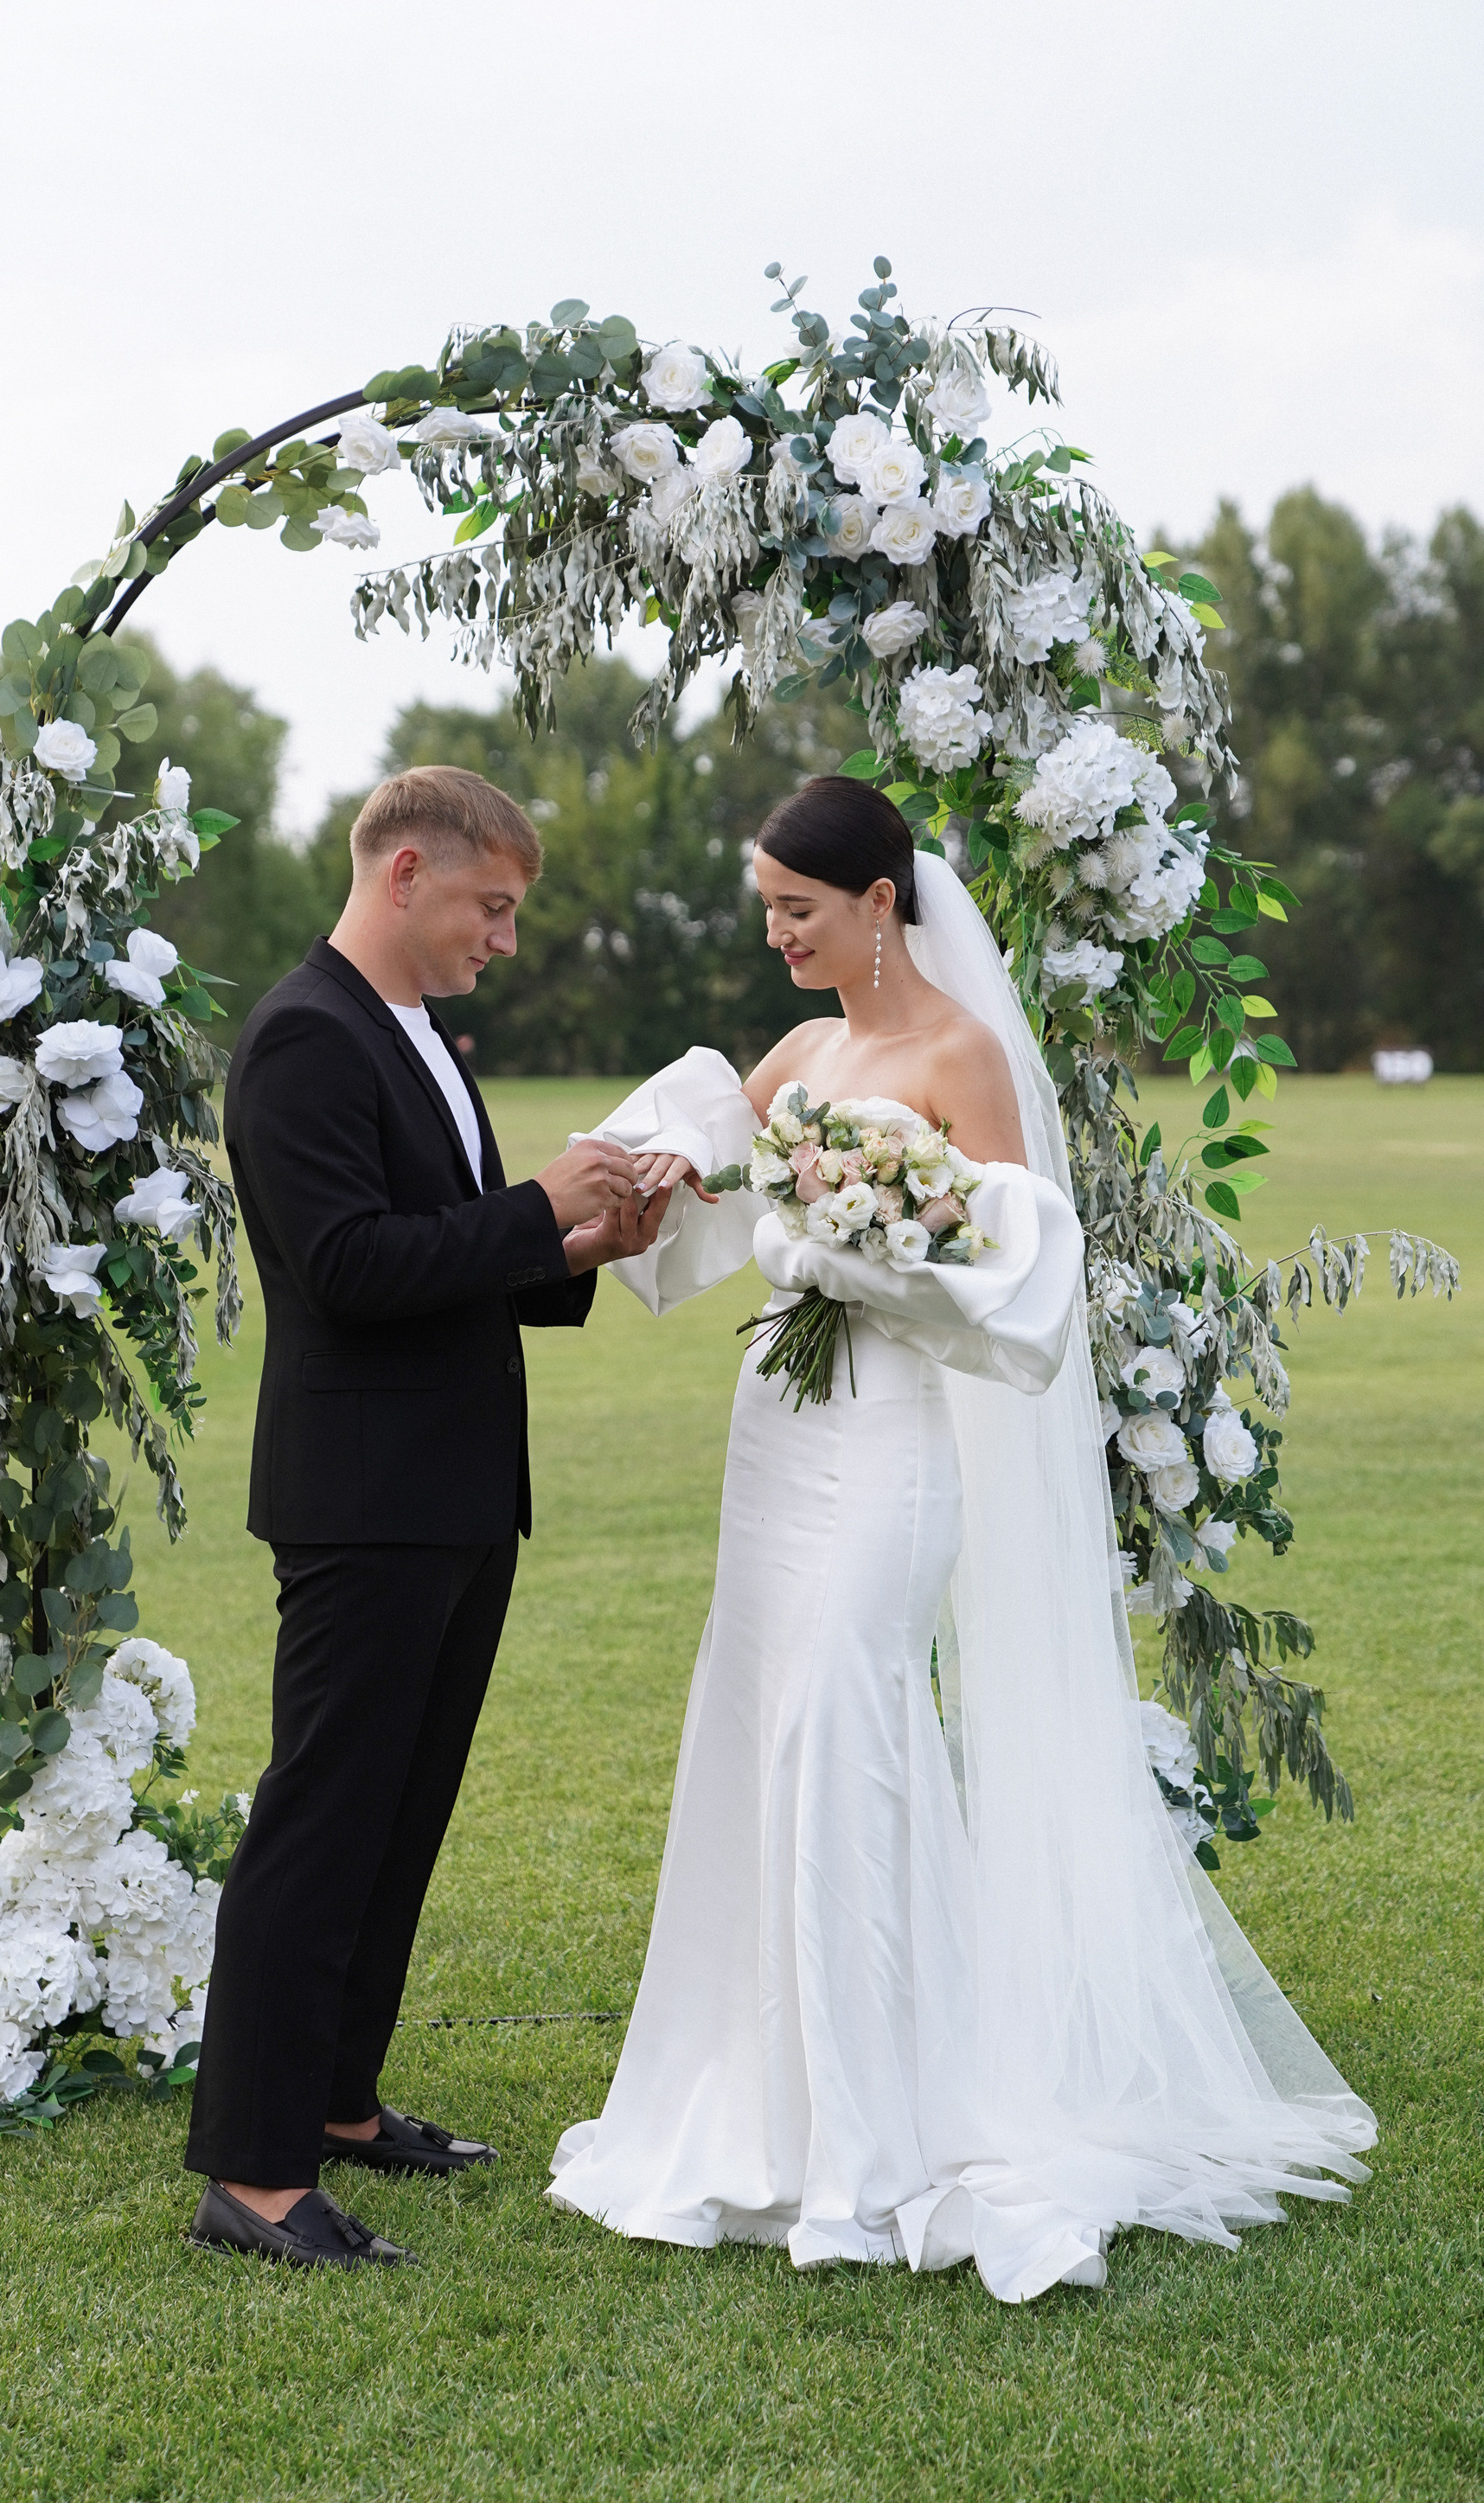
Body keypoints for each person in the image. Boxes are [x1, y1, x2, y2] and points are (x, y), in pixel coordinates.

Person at [547, 777, 1375, 2303]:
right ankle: (759, 2103)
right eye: (767, 908)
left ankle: (879, 2139)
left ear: (880, 900)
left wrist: (867, 1246)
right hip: (778, 1427)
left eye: (799, 907)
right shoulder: (799, 1049)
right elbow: (717, 1192)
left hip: (892, 1438)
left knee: (848, 1717)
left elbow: (1013, 1280)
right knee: (758, 1712)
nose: (778, 933)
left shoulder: (965, 1056)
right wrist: (667, 1181)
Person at [187, 766, 668, 2269]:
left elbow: (441, 1253)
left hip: (454, 1493)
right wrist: (535, 1205)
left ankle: (336, 2104)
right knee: (321, 1826)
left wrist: (580, 1240)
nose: (504, 940)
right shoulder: (301, 1038)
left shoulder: (415, 1038)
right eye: (492, 906)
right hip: (363, 1501)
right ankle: (253, 2178)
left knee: (400, 1821)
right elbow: (345, 1269)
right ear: (405, 874)